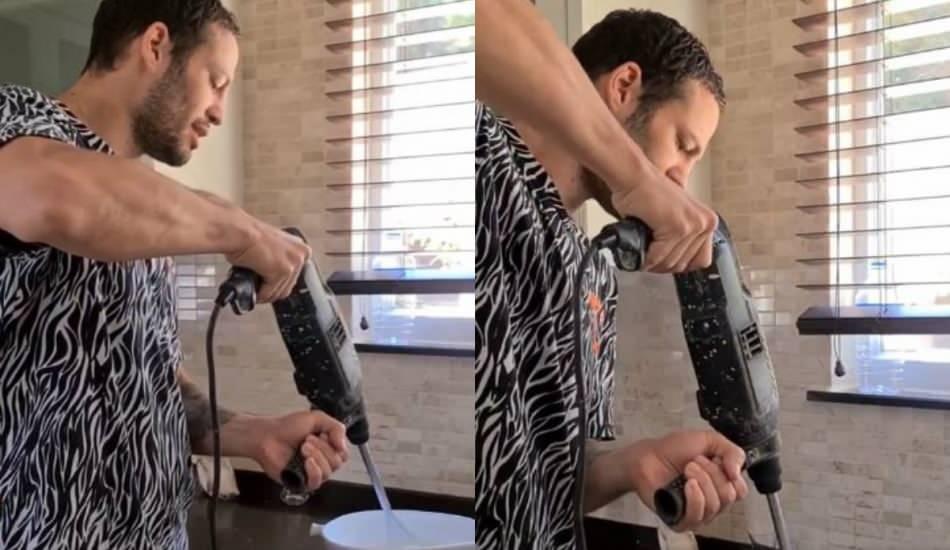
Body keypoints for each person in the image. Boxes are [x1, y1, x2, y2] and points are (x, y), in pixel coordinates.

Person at [0, 1, 348, 548]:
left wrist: (255, 434)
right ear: (156, 45)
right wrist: (248, 234)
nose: (219, 112)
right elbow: (48, 191)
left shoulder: (140, 211)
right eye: (216, 82)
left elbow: (153, 382)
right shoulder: (17, 122)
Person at [475, 3, 751, 548]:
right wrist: (634, 175)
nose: (681, 178)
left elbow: (549, 480)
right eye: (683, 146)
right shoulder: (481, 159)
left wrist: (634, 464)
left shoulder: (597, 274)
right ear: (624, 86)